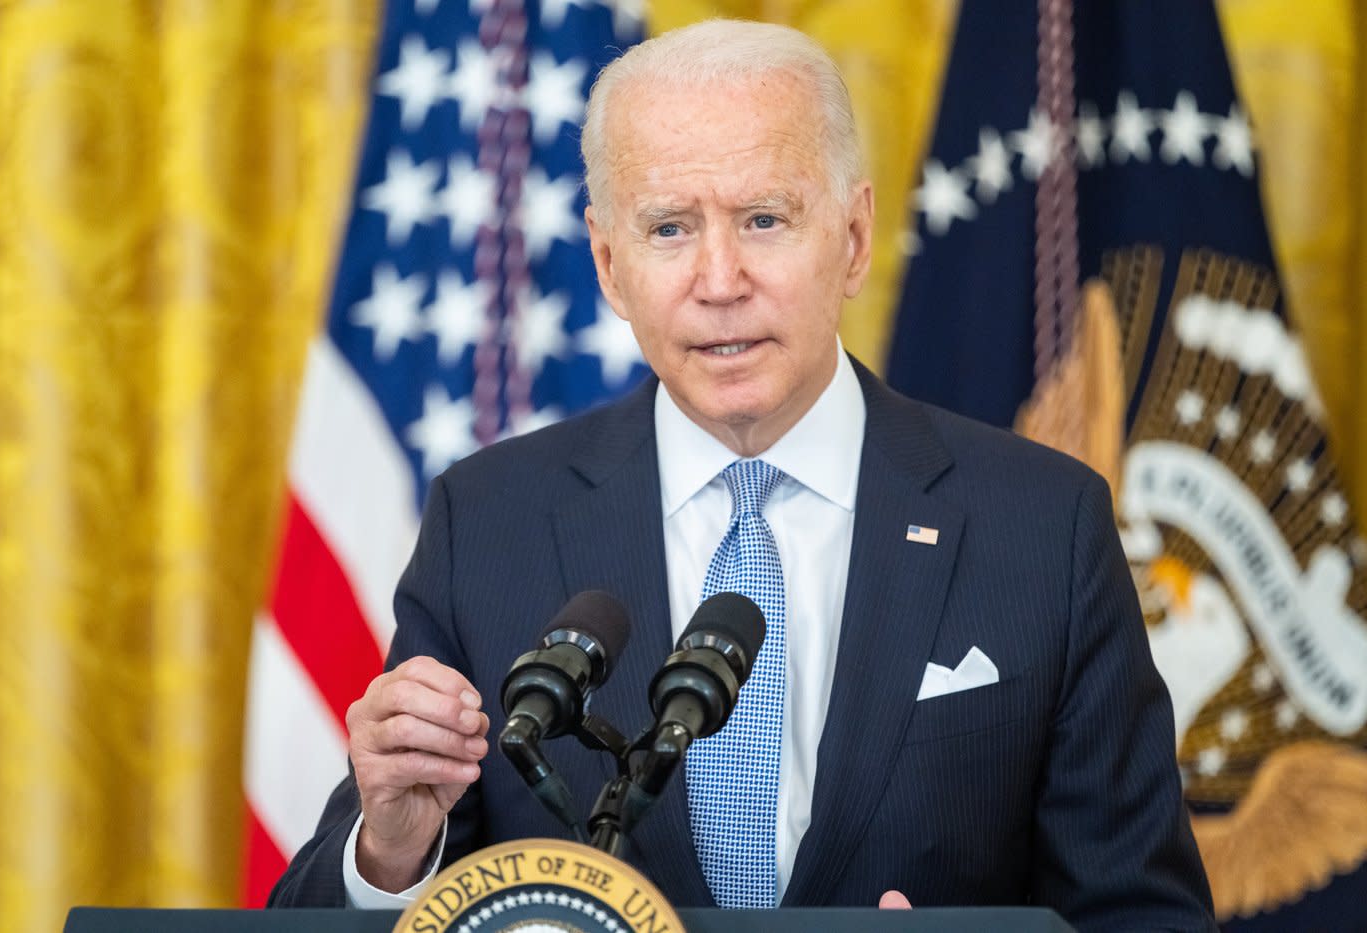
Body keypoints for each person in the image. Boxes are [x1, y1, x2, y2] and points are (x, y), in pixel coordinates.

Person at [270, 19, 1215, 928]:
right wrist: (390, 851)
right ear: (608, 263)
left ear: (851, 238)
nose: (720, 280)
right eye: (671, 229)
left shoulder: (1044, 528)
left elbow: (1146, 915)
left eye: (764, 219)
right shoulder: (488, 523)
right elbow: (314, 913)